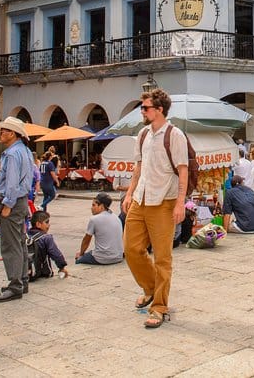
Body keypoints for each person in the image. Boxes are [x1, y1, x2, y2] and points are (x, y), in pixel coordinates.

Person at [123, 89, 189, 329]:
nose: (142, 111)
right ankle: (150, 288)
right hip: (141, 199)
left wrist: (180, 202)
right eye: (142, 107)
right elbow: (138, 167)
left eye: (146, 108)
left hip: (164, 201)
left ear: (159, 110)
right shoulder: (142, 134)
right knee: (131, 249)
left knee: (163, 257)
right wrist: (129, 193)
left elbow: (183, 170)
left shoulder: (175, 135)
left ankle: (159, 306)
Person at [0, 117, 35, 303]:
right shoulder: (24, 151)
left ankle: (15, 284)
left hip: (13, 201)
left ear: (12, 133)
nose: (0, 134)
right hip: (22, 200)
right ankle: (22, 280)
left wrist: (7, 204)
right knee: (19, 241)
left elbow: (11, 183)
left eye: (2, 131)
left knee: (10, 244)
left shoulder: (11, 154)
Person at [76, 192, 124, 264]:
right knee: (91, 252)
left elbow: (86, 240)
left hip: (102, 258)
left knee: (78, 260)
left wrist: (81, 254)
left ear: (101, 206)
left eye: (94, 205)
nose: (91, 208)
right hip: (118, 257)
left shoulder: (94, 219)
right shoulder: (116, 217)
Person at [28, 211, 69, 280]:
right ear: (38, 224)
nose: (49, 225)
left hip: (24, 274)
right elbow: (56, 254)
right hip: (40, 273)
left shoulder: (25, 236)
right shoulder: (46, 238)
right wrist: (62, 267)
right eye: (46, 222)